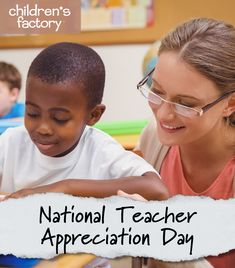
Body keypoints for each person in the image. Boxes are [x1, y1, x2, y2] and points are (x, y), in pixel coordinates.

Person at [0, 42, 168, 201]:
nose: (43, 128)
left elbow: (156, 188)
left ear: (93, 115)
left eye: (59, 119)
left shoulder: (101, 152)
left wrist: (65, 187)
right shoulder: (11, 143)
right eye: (33, 114)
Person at [129, 17, 235, 268]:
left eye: (185, 104)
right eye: (157, 91)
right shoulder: (154, 139)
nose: (164, 115)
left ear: (230, 104)